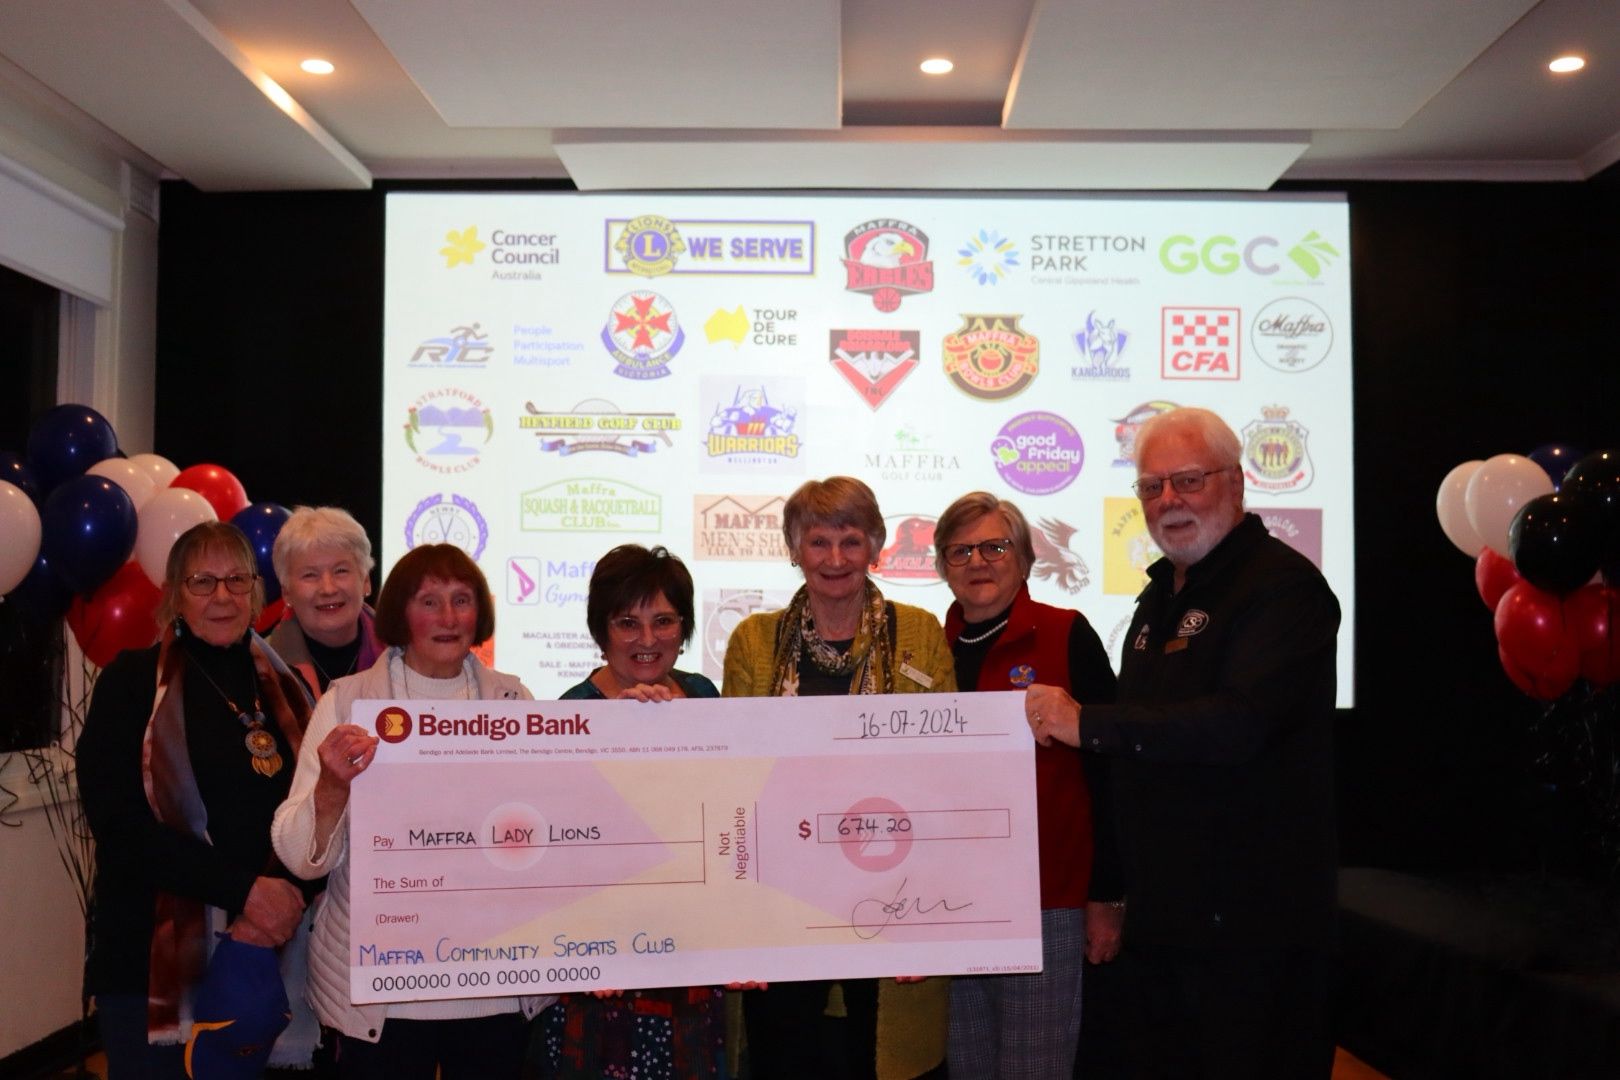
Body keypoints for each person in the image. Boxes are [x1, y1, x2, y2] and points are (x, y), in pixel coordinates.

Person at [1025, 407, 1341, 1079]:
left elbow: (1237, 725)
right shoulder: (1160, 594)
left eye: (1188, 480)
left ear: (1236, 483)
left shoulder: (1283, 589)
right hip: (1168, 923)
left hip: (1252, 932)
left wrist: (1089, 723)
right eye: (1151, 486)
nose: (1168, 500)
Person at [271, 544, 553, 1079]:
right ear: (401, 612)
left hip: (491, 988)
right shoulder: (346, 704)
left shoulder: (516, 704)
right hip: (385, 997)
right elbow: (300, 858)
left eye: (462, 600)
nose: (448, 618)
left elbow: (547, 836)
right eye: (429, 601)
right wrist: (332, 786)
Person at [722, 476, 956, 1080]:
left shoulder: (921, 633)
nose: (834, 559)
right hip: (782, 898)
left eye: (850, 541)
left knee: (878, 1059)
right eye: (817, 541)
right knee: (786, 1059)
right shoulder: (754, 640)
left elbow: (947, 776)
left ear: (876, 544)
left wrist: (931, 919)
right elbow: (733, 782)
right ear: (793, 548)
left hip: (893, 888)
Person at [78, 521, 318, 1077]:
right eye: (202, 581)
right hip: (152, 962)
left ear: (257, 591)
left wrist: (278, 903)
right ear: (175, 595)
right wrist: (244, 892)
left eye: (237, 579)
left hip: (274, 948)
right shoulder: (131, 683)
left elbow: (320, 810)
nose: (222, 597)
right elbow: (119, 826)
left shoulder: (290, 688)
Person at [933, 492, 1121, 1079]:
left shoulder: (1067, 635)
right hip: (945, 904)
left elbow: (1112, 773)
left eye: (995, 546)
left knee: (1033, 1069)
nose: (978, 561)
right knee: (965, 1066)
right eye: (960, 550)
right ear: (941, 565)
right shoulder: (924, 650)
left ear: (1024, 558)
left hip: (1049, 901)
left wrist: (1109, 896)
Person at [534, 544, 726, 1078]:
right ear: (601, 630)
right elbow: (554, 855)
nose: (647, 640)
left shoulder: (705, 697)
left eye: (663, 621)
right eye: (628, 623)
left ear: (684, 627)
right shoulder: (573, 713)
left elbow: (728, 820)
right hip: (600, 968)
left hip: (689, 958)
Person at [268, 506, 383, 697]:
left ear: (366, 581)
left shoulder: (406, 657)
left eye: (341, 571)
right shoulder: (261, 665)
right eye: (310, 575)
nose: (328, 589)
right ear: (286, 593)